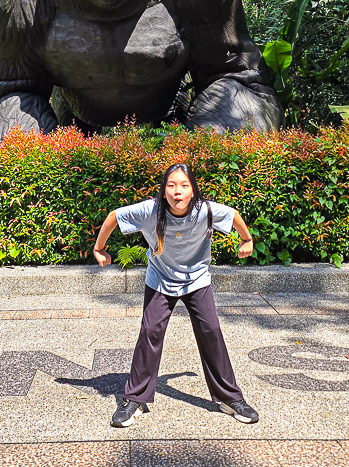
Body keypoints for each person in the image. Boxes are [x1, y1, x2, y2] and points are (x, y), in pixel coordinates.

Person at [92, 162, 260, 428]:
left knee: (211, 332)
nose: (177, 192)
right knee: (150, 332)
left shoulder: (204, 210)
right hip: (160, 279)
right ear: (163, 191)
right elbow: (114, 216)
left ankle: (231, 398)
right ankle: (134, 398)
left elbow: (234, 216)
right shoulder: (151, 210)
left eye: (184, 185)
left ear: (193, 190)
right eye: (171, 186)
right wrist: (99, 248)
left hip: (196, 279)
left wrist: (246, 238)